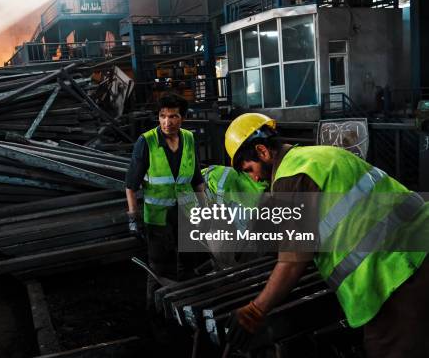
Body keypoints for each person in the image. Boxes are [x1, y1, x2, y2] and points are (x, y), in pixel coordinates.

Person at [222, 112, 429, 357]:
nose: (254, 177)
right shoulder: (321, 155)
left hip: (395, 278)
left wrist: (255, 310)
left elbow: (291, 263)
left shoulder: (290, 178)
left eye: (249, 169)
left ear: (263, 151)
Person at [125, 93, 206, 313]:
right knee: (160, 271)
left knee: (189, 264)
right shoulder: (147, 141)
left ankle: (187, 310)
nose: (167, 122)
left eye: (173, 116)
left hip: (187, 214)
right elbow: (131, 185)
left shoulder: (189, 138)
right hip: (158, 219)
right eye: (162, 116)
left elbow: (197, 180)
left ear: (183, 118)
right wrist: (133, 217)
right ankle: (156, 315)